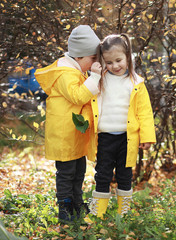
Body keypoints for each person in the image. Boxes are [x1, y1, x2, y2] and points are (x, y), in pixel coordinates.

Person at [35, 25, 102, 223]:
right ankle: (64, 206)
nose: (94, 64)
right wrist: (95, 77)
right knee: (66, 173)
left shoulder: (76, 70)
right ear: (80, 57)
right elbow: (78, 96)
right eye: (93, 59)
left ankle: (77, 202)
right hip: (64, 135)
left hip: (75, 134)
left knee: (79, 170)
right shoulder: (65, 73)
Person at [86, 34, 156, 221]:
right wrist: (94, 73)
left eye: (119, 60)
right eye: (109, 62)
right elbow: (87, 94)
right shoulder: (101, 79)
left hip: (128, 138)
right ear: (103, 62)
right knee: (102, 173)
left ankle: (122, 210)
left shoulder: (136, 83)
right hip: (105, 137)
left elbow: (145, 112)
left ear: (128, 57)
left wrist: (147, 136)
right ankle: (98, 211)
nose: (115, 66)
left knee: (125, 173)